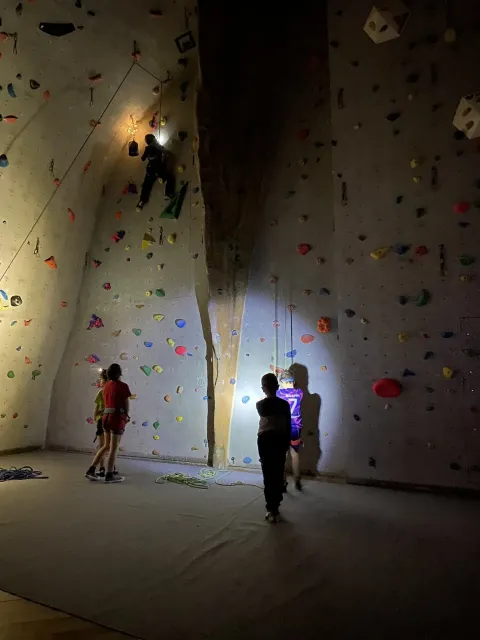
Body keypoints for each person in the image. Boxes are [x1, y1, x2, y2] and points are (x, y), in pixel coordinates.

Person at [85, 364, 130, 483]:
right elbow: (126, 404)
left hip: (105, 417)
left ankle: (91, 469)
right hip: (116, 417)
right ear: (119, 374)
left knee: (106, 446)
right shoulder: (123, 386)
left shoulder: (106, 387)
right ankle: (109, 474)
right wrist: (126, 416)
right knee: (114, 448)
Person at [256, 373, 291, 523]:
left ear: (263, 388)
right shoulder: (284, 405)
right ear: (277, 387)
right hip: (280, 440)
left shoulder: (260, 405)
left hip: (265, 441)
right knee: (277, 472)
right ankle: (275, 505)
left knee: (268, 474)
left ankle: (271, 507)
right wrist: (287, 443)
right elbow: (288, 425)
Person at [277, 369, 303, 491]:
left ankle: (282, 482)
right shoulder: (299, 392)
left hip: (282, 428)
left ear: (282, 382)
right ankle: (297, 480)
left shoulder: (278, 393)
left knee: (282, 456)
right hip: (296, 429)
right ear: (293, 381)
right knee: (295, 454)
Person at [136, 134, 175, 211]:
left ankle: (142, 201)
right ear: (154, 140)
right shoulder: (158, 147)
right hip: (158, 168)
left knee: (146, 185)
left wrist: (148, 156)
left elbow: (142, 158)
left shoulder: (147, 148)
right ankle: (167, 193)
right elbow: (166, 154)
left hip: (150, 169)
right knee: (170, 177)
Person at [93, 369, 118, 478]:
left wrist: (97, 416)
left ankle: (104, 468)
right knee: (109, 446)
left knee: (104, 445)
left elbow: (96, 411)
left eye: (101, 379)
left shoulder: (102, 393)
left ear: (106, 380)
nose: (100, 381)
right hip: (108, 420)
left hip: (103, 421)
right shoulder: (110, 393)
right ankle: (108, 468)